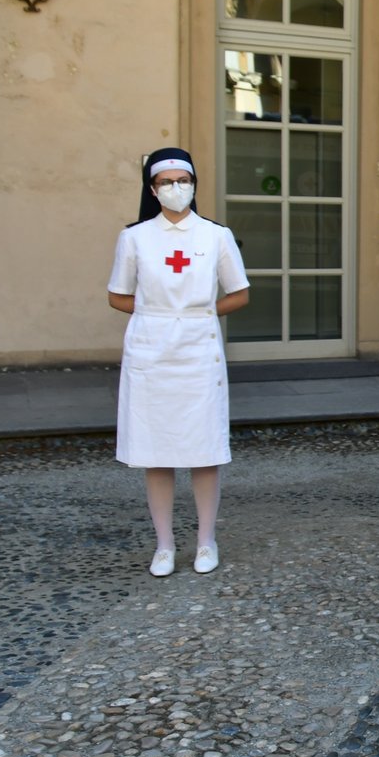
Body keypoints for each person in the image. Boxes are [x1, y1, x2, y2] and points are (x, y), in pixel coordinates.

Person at [107, 147, 251, 577]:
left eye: (182, 181)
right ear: (152, 189)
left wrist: (201, 312)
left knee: (203, 447)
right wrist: (156, 312)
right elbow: (116, 295)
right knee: (157, 450)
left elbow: (239, 292)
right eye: (166, 182)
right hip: (151, 348)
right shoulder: (134, 237)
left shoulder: (215, 235)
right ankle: (165, 545)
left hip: (198, 348)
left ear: (194, 185)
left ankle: (206, 540)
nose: (176, 189)